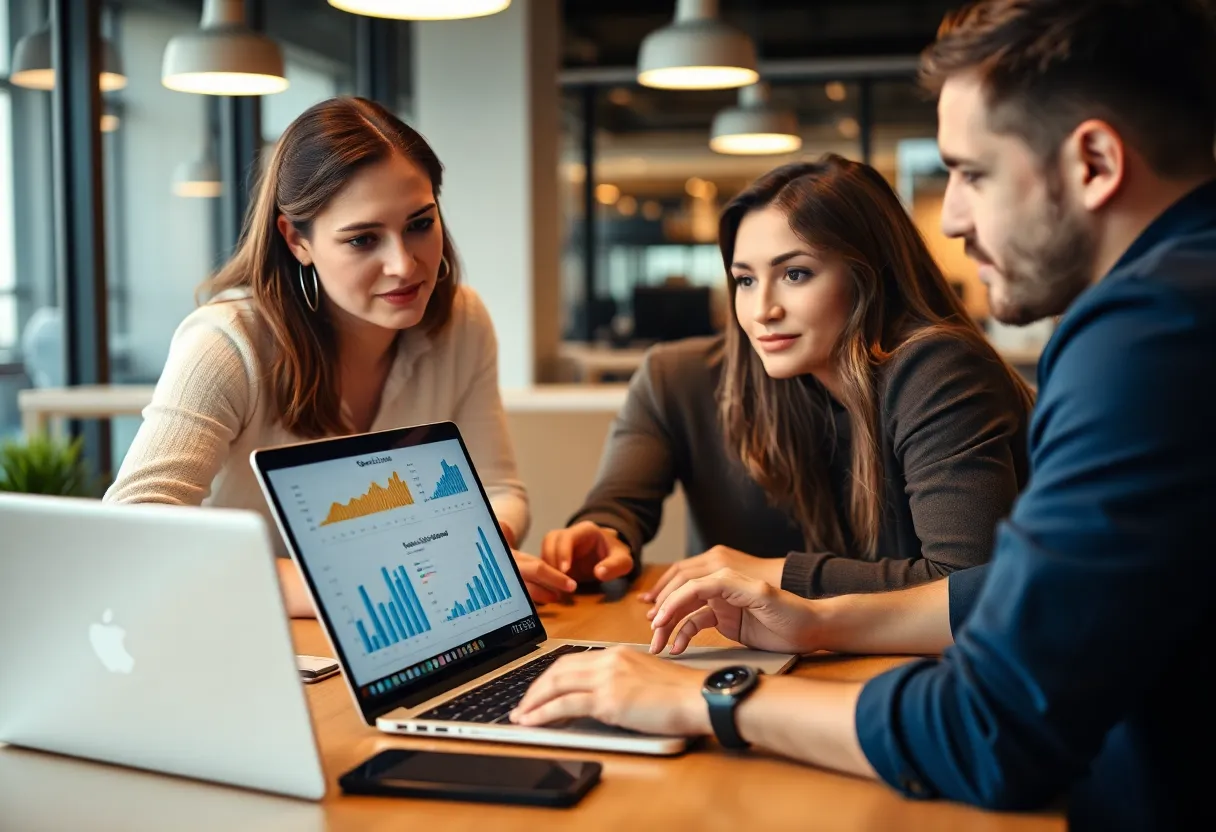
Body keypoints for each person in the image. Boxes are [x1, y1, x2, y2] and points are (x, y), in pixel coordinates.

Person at [510, 1, 1216, 828]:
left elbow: (990, 730)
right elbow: (1013, 595)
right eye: (745, 279)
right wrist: (818, 622)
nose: (953, 218)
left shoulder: (1151, 335)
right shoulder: (1172, 304)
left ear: (1095, 161)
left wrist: (707, 696)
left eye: (973, 174)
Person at [104, 96, 576, 614]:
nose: (404, 265)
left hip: (404, 623)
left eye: (420, 224)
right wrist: (355, 582)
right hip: (237, 630)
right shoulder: (227, 342)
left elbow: (499, 487)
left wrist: (473, 543)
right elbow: (134, 531)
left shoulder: (462, 322)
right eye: (363, 239)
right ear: (297, 241)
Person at [533, 156, 1033, 607]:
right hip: (755, 659)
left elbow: (968, 585)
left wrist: (772, 575)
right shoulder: (677, 379)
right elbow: (619, 506)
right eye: (745, 280)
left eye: (795, 274)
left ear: (870, 276)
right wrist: (604, 533)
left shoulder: (938, 371)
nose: (762, 310)